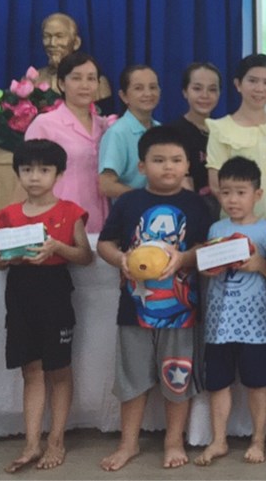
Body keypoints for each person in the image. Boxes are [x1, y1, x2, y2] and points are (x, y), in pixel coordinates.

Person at [95, 126, 213, 471]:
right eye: (158, 160)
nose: (168, 167)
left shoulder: (198, 205)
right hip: (134, 310)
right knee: (132, 378)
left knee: (178, 375)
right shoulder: (128, 202)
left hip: (181, 312)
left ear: (188, 165)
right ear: (142, 165)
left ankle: (173, 441)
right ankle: (128, 443)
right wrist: (121, 259)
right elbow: (105, 243)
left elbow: (208, 248)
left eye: (176, 160)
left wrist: (184, 257)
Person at [0, 139, 93, 473]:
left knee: (58, 370)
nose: (34, 177)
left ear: (58, 174)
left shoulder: (70, 211)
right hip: (20, 296)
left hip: (55, 294)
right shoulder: (7, 215)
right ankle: (31, 443)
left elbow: (85, 256)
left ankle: (56, 440)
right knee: (30, 371)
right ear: (17, 173)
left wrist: (57, 247)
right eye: (27, 169)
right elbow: (0, 262)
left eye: (44, 170)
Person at [194, 156, 266, 466]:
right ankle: (219, 440)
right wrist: (207, 267)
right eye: (226, 192)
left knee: (257, 383)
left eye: (241, 192)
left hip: (254, 325)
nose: (232, 199)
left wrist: (260, 264)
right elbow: (205, 268)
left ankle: (258, 440)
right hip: (218, 324)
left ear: (257, 194)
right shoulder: (216, 227)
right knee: (217, 383)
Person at [24, 51, 112, 232]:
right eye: (76, 78)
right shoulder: (45, 124)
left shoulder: (104, 126)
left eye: (91, 78)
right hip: (58, 218)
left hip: (100, 217)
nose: (85, 85)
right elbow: (27, 176)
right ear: (62, 84)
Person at [207, 54, 266, 224]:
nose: (260, 88)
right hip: (239, 226)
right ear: (238, 84)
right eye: (252, 81)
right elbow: (216, 184)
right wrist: (248, 221)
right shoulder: (221, 129)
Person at [167, 62, 222, 218]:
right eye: (197, 88)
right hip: (189, 214)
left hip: (226, 214)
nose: (205, 95)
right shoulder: (173, 132)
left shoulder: (224, 131)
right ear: (185, 92)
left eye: (212, 89)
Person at [99, 65, 162, 199]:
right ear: (124, 96)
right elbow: (106, 185)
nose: (148, 93)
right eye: (138, 88)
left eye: (153, 87)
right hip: (131, 208)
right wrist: (146, 198)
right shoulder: (117, 133)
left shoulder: (160, 129)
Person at [34, 12, 112, 106]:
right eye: (47, 36)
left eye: (59, 36)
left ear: (76, 43)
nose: (52, 43)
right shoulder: (34, 79)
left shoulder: (98, 83)